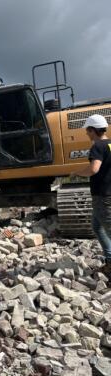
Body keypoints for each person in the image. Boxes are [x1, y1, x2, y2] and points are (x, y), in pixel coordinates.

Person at [72, 114, 111, 276]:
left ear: (93, 130)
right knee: (97, 226)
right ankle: (109, 259)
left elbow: (94, 169)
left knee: (109, 229)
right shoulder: (110, 144)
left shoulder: (97, 147)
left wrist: (77, 173)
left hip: (103, 196)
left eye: (87, 131)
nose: (87, 134)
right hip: (106, 193)